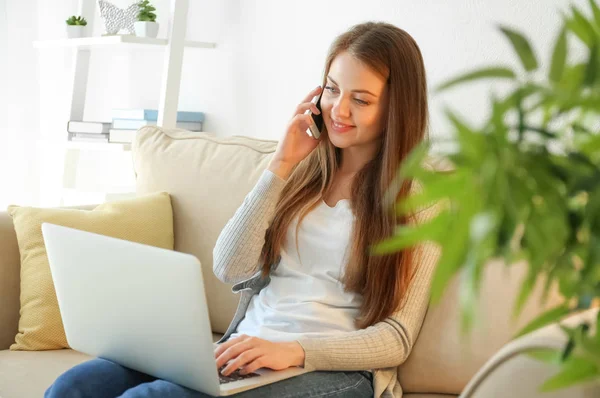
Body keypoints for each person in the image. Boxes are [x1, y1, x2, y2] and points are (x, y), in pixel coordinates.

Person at [45, 21, 440, 398]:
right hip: (242, 350)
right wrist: (280, 164)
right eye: (333, 90)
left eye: (361, 99)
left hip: (330, 372)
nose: (338, 110)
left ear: (396, 109)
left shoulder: (420, 198)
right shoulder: (300, 174)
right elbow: (229, 267)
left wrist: (294, 350)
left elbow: (397, 337)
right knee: (75, 387)